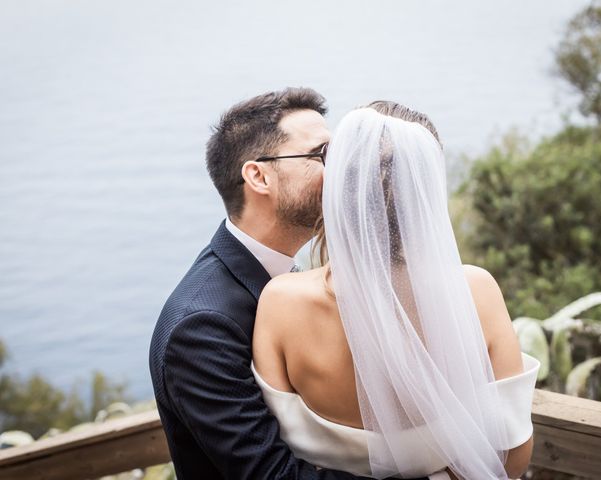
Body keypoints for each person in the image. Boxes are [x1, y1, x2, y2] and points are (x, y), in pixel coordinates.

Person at [252, 101, 540, 480]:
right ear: (426, 191)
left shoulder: (280, 302)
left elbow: (271, 449)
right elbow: (513, 454)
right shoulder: (475, 291)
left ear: (340, 186)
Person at [149, 88, 392, 479]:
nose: (344, 169)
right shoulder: (201, 327)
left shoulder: (286, 275)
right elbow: (273, 474)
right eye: (323, 155)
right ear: (259, 176)